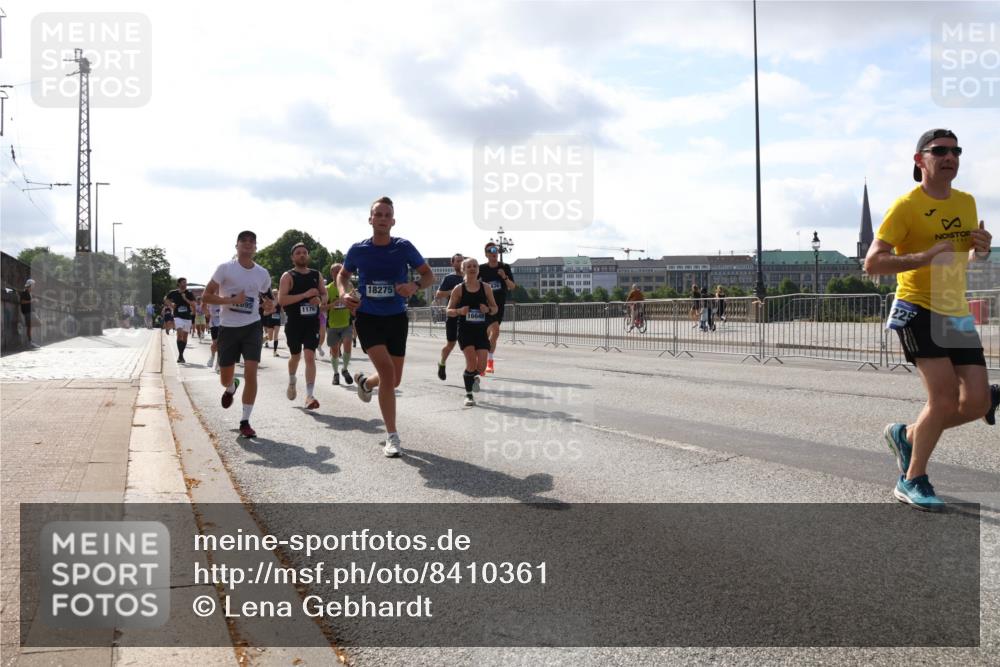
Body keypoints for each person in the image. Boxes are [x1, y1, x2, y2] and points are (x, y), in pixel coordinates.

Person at [865, 128, 996, 511]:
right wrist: (923, 256)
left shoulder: (967, 202)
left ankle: (907, 435)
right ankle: (912, 479)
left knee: (976, 402)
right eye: (940, 150)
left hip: (955, 311)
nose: (950, 156)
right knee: (940, 398)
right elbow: (873, 263)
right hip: (918, 306)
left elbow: (964, 262)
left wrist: (982, 254)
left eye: (956, 151)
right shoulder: (906, 206)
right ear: (920, 159)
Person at [339, 196, 433, 458]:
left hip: (396, 317)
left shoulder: (403, 247)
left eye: (386, 215)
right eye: (377, 214)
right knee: (389, 374)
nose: (381, 218)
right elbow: (342, 275)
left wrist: (414, 286)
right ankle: (392, 436)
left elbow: (428, 275)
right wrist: (343, 293)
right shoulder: (358, 250)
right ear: (370, 219)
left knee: (393, 378)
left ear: (393, 221)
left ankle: (366, 383)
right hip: (368, 316)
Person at [202, 230, 275, 438]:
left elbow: (268, 296)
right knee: (225, 378)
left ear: (255, 247)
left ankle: (245, 421)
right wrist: (230, 301)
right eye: (243, 240)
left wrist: (271, 304)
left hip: (252, 326)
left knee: (252, 372)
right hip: (228, 328)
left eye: (252, 241)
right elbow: (207, 296)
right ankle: (232, 385)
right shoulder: (225, 269)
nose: (248, 244)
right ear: (236, 246)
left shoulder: (262, 273)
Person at [278, 242, 326, 410]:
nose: (302, 255)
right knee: (296, 356)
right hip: (294, 324)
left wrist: (320, 300)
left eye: (304, 252)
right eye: (298, 253)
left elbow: (324, 294)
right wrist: (305, 295)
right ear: (293, 257)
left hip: (311, 323)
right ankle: (292, 380)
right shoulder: (288, 276)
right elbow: (282, 300)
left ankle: (309, 395)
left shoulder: (316, 274)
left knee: (310, 357)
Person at [447, 257, 498, 406]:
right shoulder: (459, 289)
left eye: (475, 265)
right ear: (464, 269)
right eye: (469, 266)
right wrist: (459, 311)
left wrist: (488, 309)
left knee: (481, 368)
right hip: (465, 331)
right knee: (471, 363)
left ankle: (473, 377)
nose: (472, 268)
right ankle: (469, 395)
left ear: (478, 269)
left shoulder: (486, 288)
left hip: (481, 332)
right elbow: (448, 311)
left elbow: (495, 308)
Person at [477, 242, 515, 374]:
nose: (494, 252)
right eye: (491, 250)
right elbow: (471, 283)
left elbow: (512, 286)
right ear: (486, 254)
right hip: (486, 306)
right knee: (495, 331)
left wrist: (504, 276)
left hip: (499, 305)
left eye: (496, 250)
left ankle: (482, 361)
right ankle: (489, 363)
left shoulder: (505, 267)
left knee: (489, 334)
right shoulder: (481, 268)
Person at [434, 253, 465, 380]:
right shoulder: (449, 278)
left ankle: (471, 373)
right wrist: (454, 291)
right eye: (457, 261)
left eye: (461, 261)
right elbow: (438, 294)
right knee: (451, 344)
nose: (459, 263)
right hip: (453, 314)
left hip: (467, 316)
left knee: (468, 345)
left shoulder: (470, 277)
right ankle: (442, 363)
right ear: (452, 264)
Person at [325, 263, 355, 386]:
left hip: (346, 323)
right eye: (336, 271)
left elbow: (353, 302)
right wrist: (335, 303)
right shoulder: (327, 289)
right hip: (332, 325)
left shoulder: (349, 286)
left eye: (340, 270)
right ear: (332, 274)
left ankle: (345, 369)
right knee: (335, 350)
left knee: (348, 343)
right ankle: (336, 373)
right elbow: (322, 308)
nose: (338, 273)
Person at [165, 278, 197, 362]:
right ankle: (180, 356)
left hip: (187, 317)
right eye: (183, 282)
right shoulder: (173, 292)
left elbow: (194, 304)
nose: (185, 284)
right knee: (179, 335)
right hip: (177, 316)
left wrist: (186, 298)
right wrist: (171, 305)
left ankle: (181, 355)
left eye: (186, 282)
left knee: (185, 337)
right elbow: (166, 299)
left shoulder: (189, 293)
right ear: (179, 284)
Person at [262, 287, 282, 356]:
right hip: (270, 320)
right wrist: (271, 311)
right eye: (274, 294)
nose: (275, 295)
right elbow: (264, 313)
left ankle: (275, 351)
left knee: (276, 336)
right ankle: (261, 341)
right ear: (272, 294)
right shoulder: (269, 302)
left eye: (276, 293)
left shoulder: (280, 301)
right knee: (270, 338)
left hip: (277, 321)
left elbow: (281, 311)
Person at [19, 279, 38, 348]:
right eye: (33, 285)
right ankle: (29, 342)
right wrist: (32, 301)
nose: (33, 286)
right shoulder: (24, 292)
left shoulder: (30, 293)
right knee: (29, 327)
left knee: (31, 326)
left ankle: (30, 342)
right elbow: (22, 302)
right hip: (26, 312)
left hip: (30, 312)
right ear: (30, 285)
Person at [207, 302, 222, 371]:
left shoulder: (224, 297)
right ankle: (212, 356)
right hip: (214, 323)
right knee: (215, 343)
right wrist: (207, 315)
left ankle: (218, 363)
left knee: (221, 344)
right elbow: (203, 306)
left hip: (223, 323)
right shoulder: (210, 300)